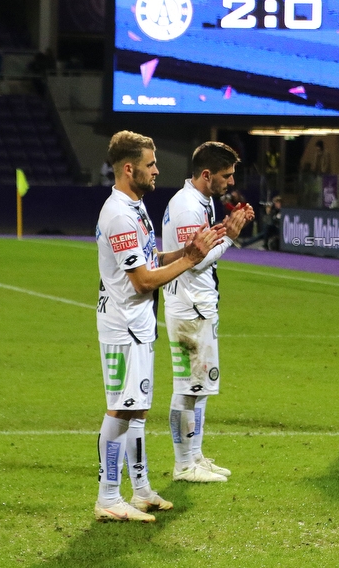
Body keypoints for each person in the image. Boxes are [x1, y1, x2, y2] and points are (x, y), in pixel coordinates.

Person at [94, 130, 224, 523]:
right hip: (123, 326)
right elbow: (144, 281)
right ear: (129, 168)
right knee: (120, 409)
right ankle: (108, 496)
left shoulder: (134, 206)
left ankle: (142, 489)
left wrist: (186, 250)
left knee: (136, 410)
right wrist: (191, 260)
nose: (157, 170)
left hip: (138, 324)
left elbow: (151, 257)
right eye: (150, 164)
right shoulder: (119, 214)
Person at [162, 142, 255, 484]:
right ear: (206, 175)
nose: (230, 182)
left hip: (198, 304)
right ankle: (183, 464)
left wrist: (228, 228)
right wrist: (231, 238)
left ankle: (195, 456)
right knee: (187, 388)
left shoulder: (201, 201)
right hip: (189, 307)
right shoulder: (187, 208)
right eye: (226, 176)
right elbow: (195, 261)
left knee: (198, 388)